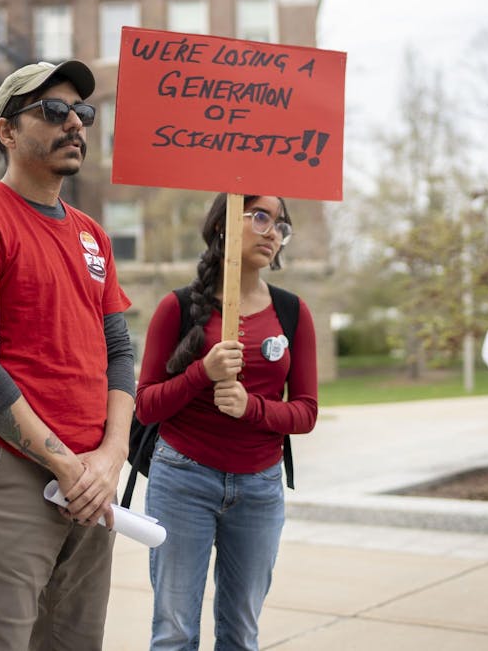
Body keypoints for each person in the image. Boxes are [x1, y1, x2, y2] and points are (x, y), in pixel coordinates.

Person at [0, 60, 135, 651]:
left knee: (74, 642)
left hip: (94, 476)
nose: (74, 123)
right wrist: (66, 465)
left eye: (82, 113)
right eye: (52, 110)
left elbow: (118, 352)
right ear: (6, 130)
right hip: (13, 471)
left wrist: (109, 457)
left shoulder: (93, 234)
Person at [135, 193, 318, 650]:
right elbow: (146, 406)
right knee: (175, 630)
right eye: (259, 217)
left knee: (241, 632)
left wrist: (252, 407)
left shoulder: (293, 313)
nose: (272, 231)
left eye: (280, 224)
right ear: (223, 225)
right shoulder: (175, 308)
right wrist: (202, 373)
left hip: (259, 488)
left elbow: (307, 411)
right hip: (182, 481)